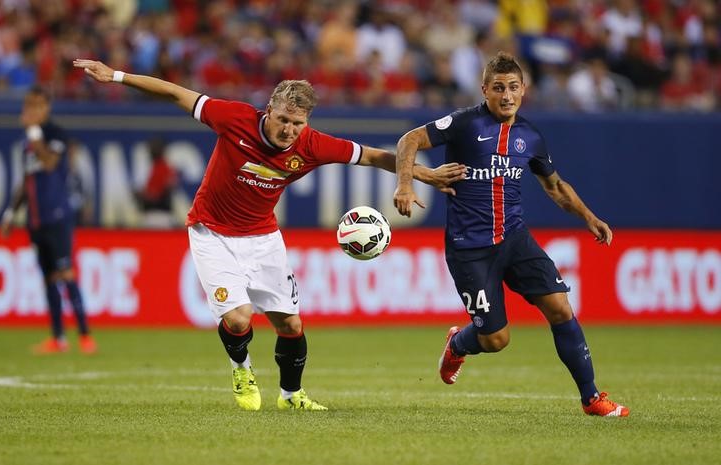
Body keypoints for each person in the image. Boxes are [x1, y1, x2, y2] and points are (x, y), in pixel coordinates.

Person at [73, 58, 465, 411]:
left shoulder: (312, 144)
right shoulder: (233, 118)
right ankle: (241, 368)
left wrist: (424, 175)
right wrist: (117, 76)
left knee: (291, 326)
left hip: (263, 238)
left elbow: (375, 156)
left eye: (298, 123)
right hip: (212, 232)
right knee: (240, 319)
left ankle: (292, 396)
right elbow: (176, 92)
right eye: (284, 120)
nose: (290, 130)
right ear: (269, 111)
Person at [393, 52, 629, 417]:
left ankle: (592, 398)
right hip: (470, 249)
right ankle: (458, 343)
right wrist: (406, 186)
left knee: (560, 307)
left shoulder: (530, 137)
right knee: (496, 339)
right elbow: (409, 140)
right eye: (498, 88)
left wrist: (588, 216)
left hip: (516, 240)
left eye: (513, 87)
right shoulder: (463, 124)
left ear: (524, 90)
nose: (506, 95)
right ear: (484, 90)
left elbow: (555, 186)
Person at [0, 86, 97, 355]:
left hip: (57, 216)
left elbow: (50, 163)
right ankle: (58, 338)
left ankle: (86, 336)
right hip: (36, 220)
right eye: (28, 106)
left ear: (46, 107)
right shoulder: (27, 143)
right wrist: (10, 213)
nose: (31, 111)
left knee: (66, 274)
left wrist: (33, 132)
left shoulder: (54, 134)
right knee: (48, 278)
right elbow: (26, 180)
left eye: (37, 106)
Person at [136, 136, 178, 229]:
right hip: (154, 215)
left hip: (159, 217)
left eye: (154, 148)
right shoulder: (156, 167)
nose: (151, 150)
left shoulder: (163, 168)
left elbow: (155, 195)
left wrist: (142, 195)